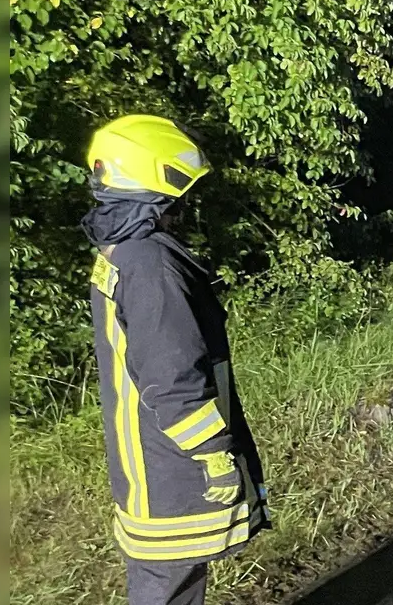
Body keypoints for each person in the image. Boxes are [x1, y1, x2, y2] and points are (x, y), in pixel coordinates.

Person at [81, 115, 270, 605]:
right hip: (171, 463)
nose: (184, 205)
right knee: (168, 584)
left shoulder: (122, 249)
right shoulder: (150, 263)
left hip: (147, 458)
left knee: (173, 582)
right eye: (180, 194)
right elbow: (172, 379)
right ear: (158, 188)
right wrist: (213, 456)